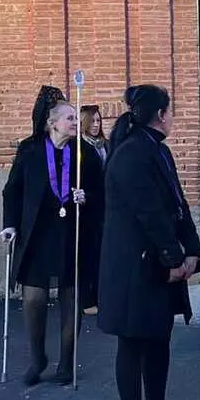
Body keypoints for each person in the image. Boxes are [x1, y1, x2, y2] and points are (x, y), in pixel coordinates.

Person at [98, 84, 200, 400]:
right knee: (133, 345)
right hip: (134, 268)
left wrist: (193, 249)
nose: (173, 117)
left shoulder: (158, 149)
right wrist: (174, 256)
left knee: (159, 340)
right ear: (160, 115)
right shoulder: (130, 154)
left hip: (156, 265)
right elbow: (149, 213)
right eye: (170, 111)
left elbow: (177, 203)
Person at [0, 86, 104, 386]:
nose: (75, 122)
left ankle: (67, 363)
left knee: (71, 298)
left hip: (73, 232)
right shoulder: (30, 149)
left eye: (75, 118)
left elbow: (103, 190)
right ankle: (37, 358)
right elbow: (13, 190)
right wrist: (10, 224)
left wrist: (87, 197)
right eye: (70, 118)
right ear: (52, 123)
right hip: (38, 233)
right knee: (33, 297)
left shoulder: (84, 153)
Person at [80, 104, 107, 316]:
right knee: (88, 254)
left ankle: (102, 296)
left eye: (98, 121)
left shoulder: (105, 145)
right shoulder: (79, 147)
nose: (96, 125)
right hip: (87, 206)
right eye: (92, 121)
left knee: (103, 253)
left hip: (105, 204)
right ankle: (87, 299)